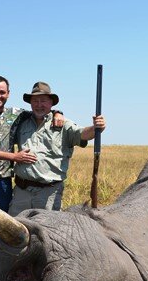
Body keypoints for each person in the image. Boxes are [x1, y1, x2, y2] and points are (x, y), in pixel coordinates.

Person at [0, 76, 63, 235]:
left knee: (1, 225)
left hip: (2, 180)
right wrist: (14, 157)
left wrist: (58, 113)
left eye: (2, 92)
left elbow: (41, 111)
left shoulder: (17, 114)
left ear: (8, 94)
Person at [8, 81, 106, 216]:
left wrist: (96, 127)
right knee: (14, 232)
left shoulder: (62, 124)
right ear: (30, 103)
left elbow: (83, 134)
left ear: (51, 103)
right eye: (35, 101)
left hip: (48, 192)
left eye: (43, 101)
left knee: (45, 233)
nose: (39, 105)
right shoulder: (21, 122)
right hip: (21, 192)